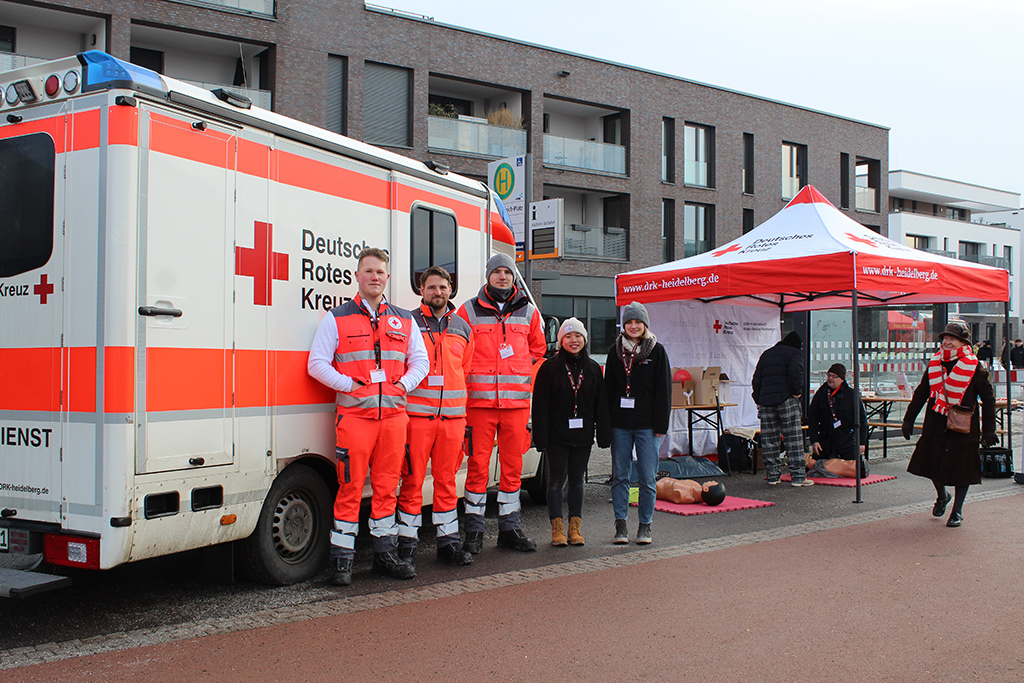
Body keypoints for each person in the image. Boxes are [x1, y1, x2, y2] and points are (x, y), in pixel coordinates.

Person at [307, 247, 429, 586]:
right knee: (349, 487)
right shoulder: (337, 317)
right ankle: (342, 561)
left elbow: (421, 361)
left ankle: (385, 555)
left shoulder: (404, 319)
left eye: (380, 272)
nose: (374, 277)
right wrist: (350, 386)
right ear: (357, 276)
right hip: (355, 419)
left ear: (387, 278)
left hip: (393, 418)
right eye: (369, 271)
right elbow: (316, 363)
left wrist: (402, 385)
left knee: (388, 488)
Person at [456, 253, 546, 553]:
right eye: (497, 272)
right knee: (478, 467)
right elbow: (456, 350)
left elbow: (538, 351)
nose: (503, 277)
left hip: (516, 407)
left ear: (513, 277)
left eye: (508, 272)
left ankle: (510, 528)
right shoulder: (467, 311)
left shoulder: (529, 312)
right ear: (488, 276)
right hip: (479, 406)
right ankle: (474, 531)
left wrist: (522, 371)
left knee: (512, 467)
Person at [396, 266, 474, 569]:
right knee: (412, 481)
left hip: (452, 421)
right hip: (416, 419)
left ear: (450, 288)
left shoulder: (463, 327)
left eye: (442, 287)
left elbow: (464, 370)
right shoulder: (407, 323)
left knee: (447, 483)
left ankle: (448, 543)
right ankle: (407, 545)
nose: (437, 292)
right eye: (431, 288)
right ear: (421, 290)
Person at [901, 321, 998, 528]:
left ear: (962, 342)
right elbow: (921, 392)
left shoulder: (974, 366)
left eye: (951, 339)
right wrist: (909, 419)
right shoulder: (935, 362)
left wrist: (989, 429)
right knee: (932, 463)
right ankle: (943, 496)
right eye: (944, 338)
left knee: (962, 468)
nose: (946, 342)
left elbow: (989, 399)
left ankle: (957, 511)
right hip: (936, 422)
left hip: (963, 425)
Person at [531, 317, 611, 547]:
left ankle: (575, 528)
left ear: (584, 339)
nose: (573, 340)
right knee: (556, 481)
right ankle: (557, 528)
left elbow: (600, 405)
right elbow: (541, 406)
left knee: (577, 481)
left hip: (583, 436)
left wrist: (604, 435)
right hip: (557, 436)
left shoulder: (594, 368)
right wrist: (541, 438)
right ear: (561, 341)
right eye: (568, 336)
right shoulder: (549, 368)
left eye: (577, 336)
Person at [605, 301, 671, 545]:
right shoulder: (615, 351)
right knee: (620, 476)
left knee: (646, 477)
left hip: (647, 426)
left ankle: (645, 526)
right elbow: (609, 390)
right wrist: (606, 424)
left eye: (637, 322)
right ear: (623, 325)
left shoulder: (657, 351)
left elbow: (663, 391)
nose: (633, 326)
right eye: (629, 322)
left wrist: (660, 427)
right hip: (620, 425)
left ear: (645, 325)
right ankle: (620, 525)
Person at [751, 331, 812, 486]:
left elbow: (756, 379)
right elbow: (796, 373)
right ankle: (798, 477)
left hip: (766, 402)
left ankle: (772, 476)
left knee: (770, 440)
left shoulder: (767, 354)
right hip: (786, 400)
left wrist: (758, 398)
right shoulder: (795, 353)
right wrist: (796, 393)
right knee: (793, 438)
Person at [805, 363, 868, 479]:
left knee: (859, 471)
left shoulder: (851, 395)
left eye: (834, 376)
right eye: (829, 375)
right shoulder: (821, 393)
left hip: (846, 441)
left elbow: (862, 421)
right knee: (809, 468)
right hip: (825, 441)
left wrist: (862, 442)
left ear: (842, 379)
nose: (830, 378)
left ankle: (831, 469)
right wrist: (814, 440)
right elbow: (812, 418)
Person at [655, 478, 727, 506]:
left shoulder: (685, 496)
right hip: (661, 481)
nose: (713, 481)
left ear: (706, 489)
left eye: (714, 483)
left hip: (656, 486)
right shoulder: (696, 485)